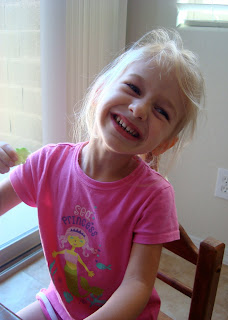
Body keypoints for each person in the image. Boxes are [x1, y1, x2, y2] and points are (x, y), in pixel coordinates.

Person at [0, 29, 204, 320]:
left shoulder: (155, 196)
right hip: (59, 304)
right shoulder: (48, 163)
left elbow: (138, 284)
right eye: (133, 88)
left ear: (165, 143)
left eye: (161, 111)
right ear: (100, 91)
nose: (140, 108)